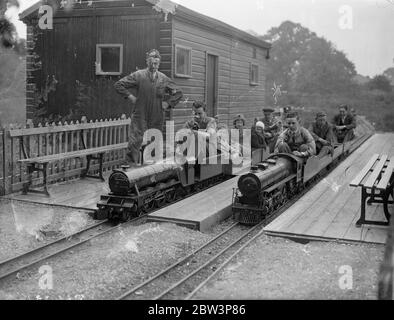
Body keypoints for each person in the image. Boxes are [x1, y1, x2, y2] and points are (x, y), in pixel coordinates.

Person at [114, 49, 183, 164]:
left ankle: (151, 170)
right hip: (140, 114)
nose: (154, 65)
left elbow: (179, 93)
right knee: (135, 141)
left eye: (156, 63)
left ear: (159, 63)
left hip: (157, 115)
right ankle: (131, 169)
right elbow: (119, 85)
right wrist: (130, 97)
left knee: (154, 141)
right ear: (147, 62)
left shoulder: (163, 79)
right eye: (151, 62)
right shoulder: (138, 75)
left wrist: (167, 103)